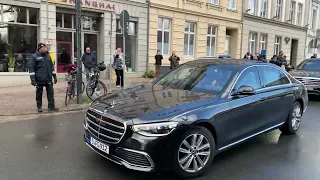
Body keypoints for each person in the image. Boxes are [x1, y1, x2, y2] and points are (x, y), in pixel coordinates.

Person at [28, 43, 59, 112]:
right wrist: (33, 80)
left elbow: (51, 67)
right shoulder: (34, 57)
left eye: (45, 48)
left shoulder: (48, 56)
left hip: (48, 78)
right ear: (39, 49)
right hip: (39, 79)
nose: (45, 49)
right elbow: (31, 68)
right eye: (43, 48)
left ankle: (51, 106)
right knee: (39, 93)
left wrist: (54, 76)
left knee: (50, 93)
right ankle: (39, 107)